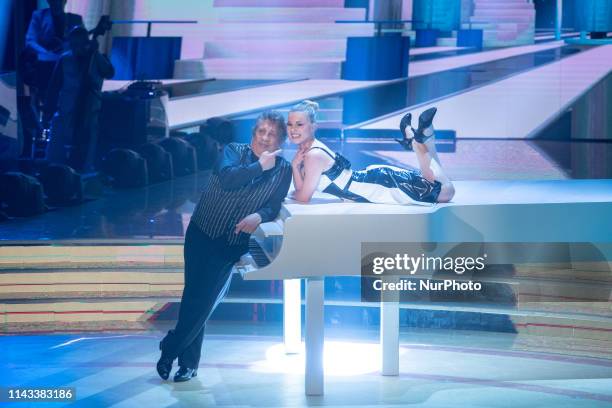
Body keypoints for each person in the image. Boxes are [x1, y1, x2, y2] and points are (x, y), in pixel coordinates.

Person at [157, 111, 292, 382]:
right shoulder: (233, 150)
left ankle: (170, 348)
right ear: (253, 133)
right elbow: (229, 178)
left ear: (281, 140)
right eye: (261, 131)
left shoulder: (284, 169)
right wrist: (259, 167)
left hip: (230, 243)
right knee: (193, 295)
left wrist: (260, 216)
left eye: (272, 134)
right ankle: (189, 364)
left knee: (204, 302)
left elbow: (273, 204)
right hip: (202, 232)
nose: (265, 138)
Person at [289, 100, 455, 204]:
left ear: (313, 126)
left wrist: (294, 190)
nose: (293, 129)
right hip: (374, 181)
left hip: (378, 185)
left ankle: (418, 142)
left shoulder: (313, 155)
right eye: (290, 124)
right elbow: (302, 190)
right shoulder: (309, 151)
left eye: (299, 124)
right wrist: (295, 167)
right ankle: (420, 139)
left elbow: (303, 196)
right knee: (439, 185)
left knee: (447, 191)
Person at [43, 25, 114, 171]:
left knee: (87, 149)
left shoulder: (96, 58)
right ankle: (55, 172)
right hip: (66, 111)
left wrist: (96, 53)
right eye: (73, 44)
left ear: (86, 42)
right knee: (57, 148)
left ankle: (83, 172)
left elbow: (110, 72)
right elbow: (54, 86)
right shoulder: (65, 59)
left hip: (89, 113)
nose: (76, 48)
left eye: (80, 44)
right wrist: (48, 110)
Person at [20, 0, 84, 157]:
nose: (56, 3)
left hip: (66, 70)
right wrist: (47, 53)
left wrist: (67, 50)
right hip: (43, 67)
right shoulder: (39, 15)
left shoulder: (75, 19)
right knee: (38, 104)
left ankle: (58, 144)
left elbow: (82, 43)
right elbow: (30, 41)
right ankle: (38, 141)